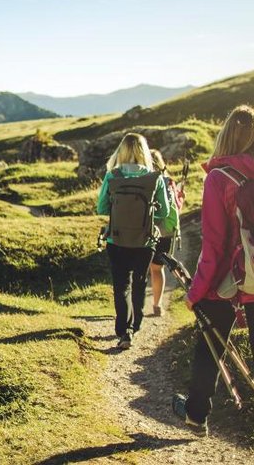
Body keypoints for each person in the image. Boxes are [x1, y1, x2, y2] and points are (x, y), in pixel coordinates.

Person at [173, 105, 254, 436]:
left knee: (209, 348)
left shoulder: (220, 178)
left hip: (231, 281)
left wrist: (195, 294)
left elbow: (216, 246)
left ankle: (196, 415)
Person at [97, 133, 170, 349]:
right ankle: (135, 325)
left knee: (121, 286)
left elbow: (101, 208)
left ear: (122, 151)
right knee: (139, 282)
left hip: (116, 240)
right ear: (144, 151)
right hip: (144, 242)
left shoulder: (112, 176)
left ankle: (124, 332)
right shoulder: (154, 178)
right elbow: (165, 211)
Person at [148, 150, 183, 317]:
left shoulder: (145, 180)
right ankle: (157, 305)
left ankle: (134, 307)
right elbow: (176, 208)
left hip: (146, 230)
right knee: (157, 268)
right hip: (166, 231)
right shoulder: (169, 181)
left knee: (139, 269)